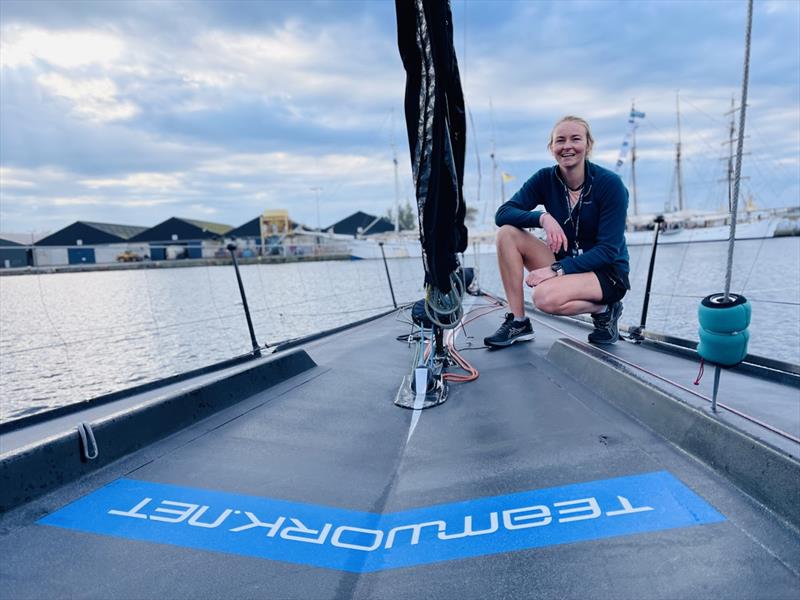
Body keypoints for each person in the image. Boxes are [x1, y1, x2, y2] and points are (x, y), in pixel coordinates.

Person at [484, 115, 630, 348]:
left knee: (543, 298)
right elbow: (503, 214)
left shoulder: (610, 185)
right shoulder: (545, 179)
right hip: (568, 261)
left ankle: (606, 308)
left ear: (588, 145)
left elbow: (609, 250)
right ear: (551, 148)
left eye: (575, 139)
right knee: (507, 234)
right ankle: (518, 322)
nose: (567, 146)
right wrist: (542, 217)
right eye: (560, 140)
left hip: (607, 273)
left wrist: (556, 270)